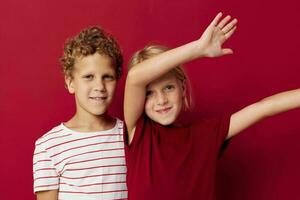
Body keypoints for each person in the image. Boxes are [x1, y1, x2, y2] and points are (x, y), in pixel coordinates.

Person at [123, 12, 300, 200]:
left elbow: (264, 108)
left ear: (182, 89)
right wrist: (198, 49)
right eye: (149, 92)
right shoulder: (138, 132)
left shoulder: (206, 134)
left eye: (168, 87)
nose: (161, 100)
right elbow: (135, 77)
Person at [33, 27, 127, 200]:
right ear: (70, 83)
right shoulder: (49, 146)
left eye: (108, 76)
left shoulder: (129, 135)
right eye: (88, 77)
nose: (100, 86)